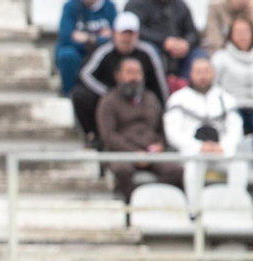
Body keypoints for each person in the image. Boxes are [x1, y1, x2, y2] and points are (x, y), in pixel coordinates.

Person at [73, 12, 169, 142]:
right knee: (80, 95)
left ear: (137, 35)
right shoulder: (104, 51)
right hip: (109, 102)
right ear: (115, 33)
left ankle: (156, 138)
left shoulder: (148, 52)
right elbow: (84, 75)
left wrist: (162, 108)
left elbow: (160, 85)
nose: (127, 38)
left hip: (140, 101)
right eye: (123, 33)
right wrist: (108, 92)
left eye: (131, 34)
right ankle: (94, 136)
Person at [166, 56, 248, 208]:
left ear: (213, 73)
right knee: (193, 167)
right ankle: (195, 212)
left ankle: (234, 209)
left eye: (206, 71)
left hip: (220, 151)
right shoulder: (178, 98)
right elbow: (173, 132)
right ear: (190, 74)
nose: (202, 76)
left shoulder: (225, 97)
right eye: (198, 72)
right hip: (191, 153)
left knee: (239, 164)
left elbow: (236, 127)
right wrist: (198, 147)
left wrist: (223, 146)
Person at [97, 57, 186, 197]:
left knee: (176, 170)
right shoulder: (108, 102)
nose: (134, 77)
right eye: (129, 73)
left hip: (152, 151)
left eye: (138, 73)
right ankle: (131, 207)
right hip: (122, 153)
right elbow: (108, 136)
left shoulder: (151, 98)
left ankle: (154, 201)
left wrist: (160, 145)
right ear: (118, 76)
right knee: (122, 170)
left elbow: (162, 129)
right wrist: (134, 152)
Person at [56, 0, 118, 95]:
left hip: (100, 54)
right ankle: (69, 95)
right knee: (67, 55)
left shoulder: (109, 7)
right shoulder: (70, 6)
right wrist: (98, 38)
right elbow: (65, 38)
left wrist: (89, 38)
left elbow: (116, 38)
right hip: (79, 54)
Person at [133, 0, 205, 75]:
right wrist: (163, 42)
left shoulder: (180, 5)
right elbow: (138, 31)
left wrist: (186, 43)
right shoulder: (137, 4)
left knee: (199, 57)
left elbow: (192, 32)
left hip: (180, 50)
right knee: (151, 51)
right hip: (153, 47)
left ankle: (187, 86)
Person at [213, 17, 253, 133]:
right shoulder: (220, 58)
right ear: (230, 35)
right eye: (238, 32)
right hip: (232, 109)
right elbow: (214, 87)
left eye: (246, 31)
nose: (243, 36)